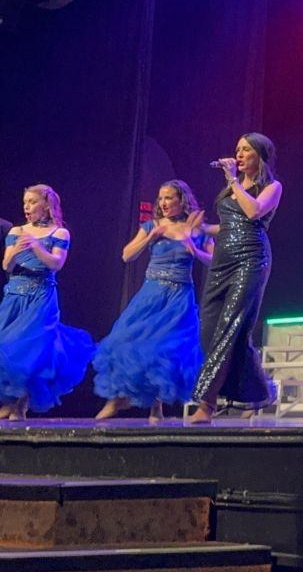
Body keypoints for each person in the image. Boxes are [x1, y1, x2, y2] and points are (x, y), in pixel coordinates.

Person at [94, 181, 211, 422]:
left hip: (179, 297)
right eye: (161, 198)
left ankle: (155, 408)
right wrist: (150, 237)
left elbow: (213, 260)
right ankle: (116, 398)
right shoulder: (152, 226)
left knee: (164, 350)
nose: (164, 203)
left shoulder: (195, 230)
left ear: (182, 201)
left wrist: (194, 249)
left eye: (169, 198)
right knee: (122, 340)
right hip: (151, 294)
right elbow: (127, 255)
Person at [190, 133, 282, 423]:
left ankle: (206, 403)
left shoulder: (271, 186)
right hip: (222, 261)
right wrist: (204, 227)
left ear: (260, 155)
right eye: (237, 150)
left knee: (230, 325)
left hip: (251, 259)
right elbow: (229, 223)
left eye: (246, 150)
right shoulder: (233, 188)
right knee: (209, 328)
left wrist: (231, 180)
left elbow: (253, 212)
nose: (239, 155)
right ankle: (259, 390)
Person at [0, 185, 94, 419]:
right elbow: (6, 266)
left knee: (32, 348)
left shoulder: (59, 233)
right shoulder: (17, 231)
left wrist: (36, 245)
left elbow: (56, 264)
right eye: (25, 202)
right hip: (15, 296)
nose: (27, 207)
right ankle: (10, 400)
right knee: (7, 345)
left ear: (46, 205)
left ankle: (22, 402)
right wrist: (14, 251)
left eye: (32, 202)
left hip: (41, 296)